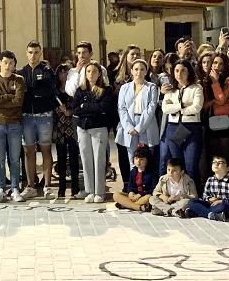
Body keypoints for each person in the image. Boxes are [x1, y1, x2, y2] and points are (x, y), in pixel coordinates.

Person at [0, 51, 26, 202]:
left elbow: (18, 101)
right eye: (5, 62)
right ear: (0, 63)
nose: (8, 66)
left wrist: (1, 100)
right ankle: (1, 189)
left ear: (14, 65)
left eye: (11, 63)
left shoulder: (19, 80)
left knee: (14, 158)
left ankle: (15, 188)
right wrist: (8, 96)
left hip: (14, 123)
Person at [19, 42, 59, 199]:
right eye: (30, 52)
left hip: (45, 116)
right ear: (26, 53)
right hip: (27, 116)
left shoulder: (47, 71)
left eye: (36, 52)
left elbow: (50, 90)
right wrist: (36, 90)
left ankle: (48, 186)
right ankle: (31, 186)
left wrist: (34, 90)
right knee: (28, 151)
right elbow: (22, 92)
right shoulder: (21, 72)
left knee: (46, 149)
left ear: (40, 53)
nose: (33, 55)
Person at [74, 61, 113, 203]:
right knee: (86, 159)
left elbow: (103, 108)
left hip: (99, 128)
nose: (91, 74)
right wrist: (91, 108)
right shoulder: (80, 90)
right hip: (83, 128)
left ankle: (99, 191)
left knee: (99, 159)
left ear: (99, 74)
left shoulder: (106, 90)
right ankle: (89, 190)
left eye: (94, 71)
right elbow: (76, 110)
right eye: (88, 71)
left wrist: (85, 106)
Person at [160, 60, 204, 180]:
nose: (179, 74)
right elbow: (165, 108)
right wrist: (182, 105)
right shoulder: (170, 89)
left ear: (189, 72)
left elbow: (196, 107)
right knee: (177, 166)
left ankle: (193, 190)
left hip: (191, 127)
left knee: (191, 165)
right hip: (173, 128)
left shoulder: (196, 88)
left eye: (183, 70)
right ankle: (179, 189)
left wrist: (176, 108)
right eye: (176, 71)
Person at [117, 59, 160, 181]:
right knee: (133, 159)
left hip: (146, 125)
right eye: (136, 69)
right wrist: (128, 127)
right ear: (131, 71)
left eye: (142, 69)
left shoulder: (151, 87)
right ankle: (134, 186)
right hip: (129, 124)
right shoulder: (124, 88)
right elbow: (122, 108)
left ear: (146, 71)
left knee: (146, 158)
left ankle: (147, 186)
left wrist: (139, 127)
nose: (139, 72)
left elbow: (151, 108)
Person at [52, 63, 82, 201]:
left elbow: (78, 105)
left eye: (66, 72)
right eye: (61, 72)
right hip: (60, 128)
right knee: (61, 159)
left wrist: (70, 111)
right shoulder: (55, 91)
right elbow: (52, 107)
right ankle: (61, 188)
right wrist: (59, 110)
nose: (63, 75)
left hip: (73, 127)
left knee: (74, 159)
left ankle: (75, 188)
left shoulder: (74, 89)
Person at [113, 146, 156, 211]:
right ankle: (138, 207)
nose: (138, 161)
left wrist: (140, 194)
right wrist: (131, 192)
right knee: (116, 195)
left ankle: (126, 205)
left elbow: (153, 189)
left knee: (148, 198)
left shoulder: (151, 173)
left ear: (147, 160)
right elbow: (130, 186)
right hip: (134, 196)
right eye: (136, 158)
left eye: (141, 159)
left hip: (143, 196)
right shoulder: (133, 171)